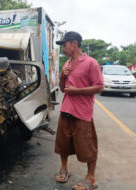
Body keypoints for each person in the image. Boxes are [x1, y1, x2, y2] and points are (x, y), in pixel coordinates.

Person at [54, 31, 104, 190]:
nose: (63, 48)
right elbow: (63, 89)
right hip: (66, 110)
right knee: (63, 143)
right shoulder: (67, 64)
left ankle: (91, 178)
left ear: (75, 43)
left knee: (87, 145)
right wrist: (62, 76)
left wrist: (78, 91)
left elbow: (100, 87)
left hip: (82, 113)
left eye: (65, 44)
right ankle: (64, 169)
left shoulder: (91, 63)